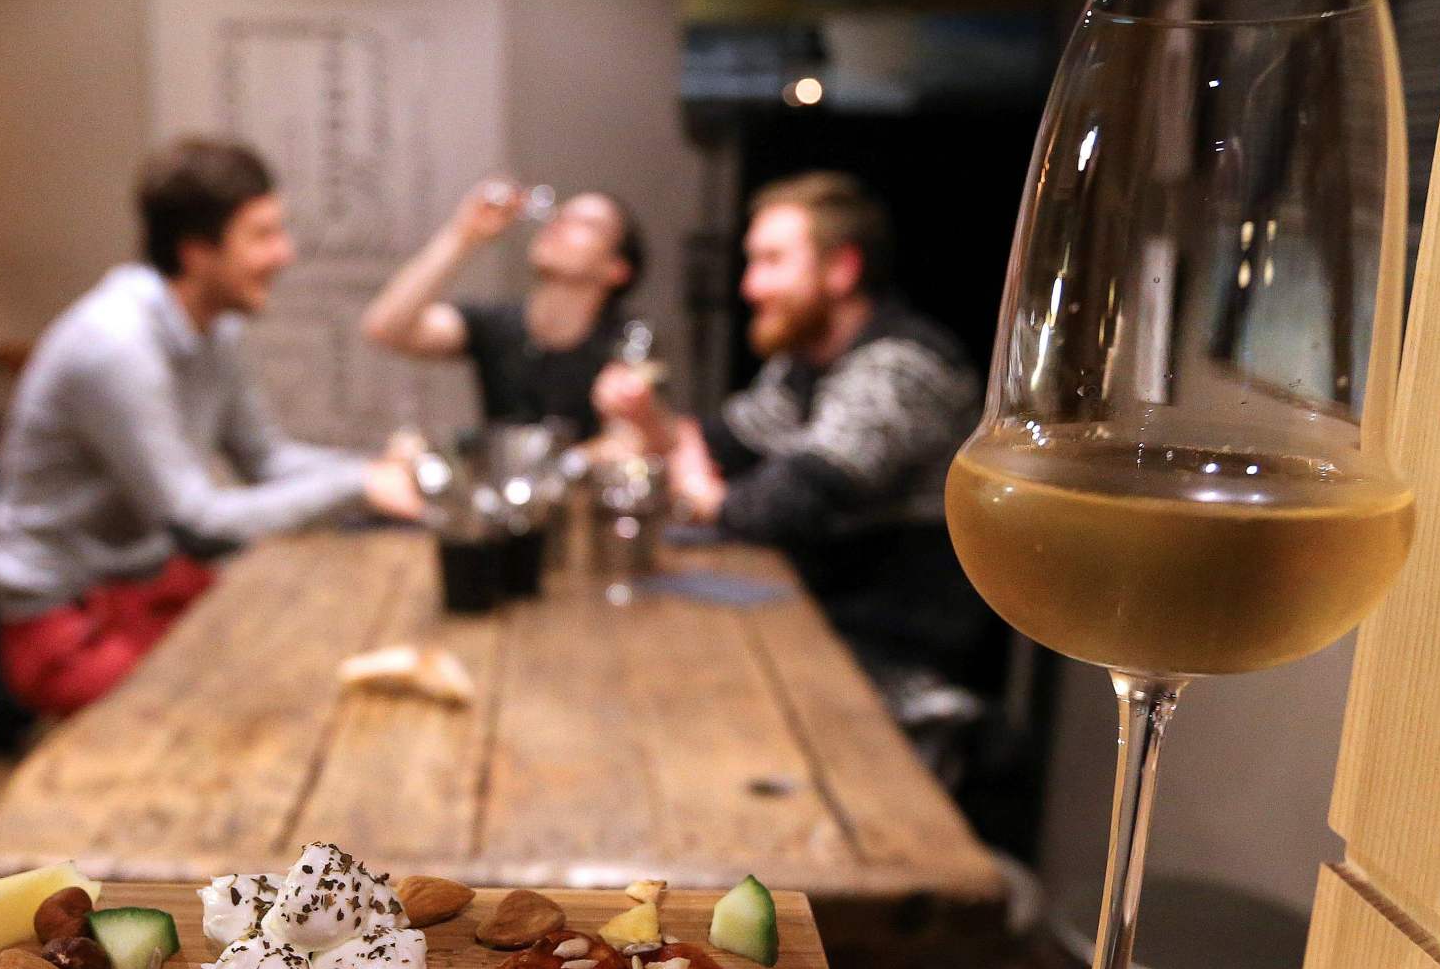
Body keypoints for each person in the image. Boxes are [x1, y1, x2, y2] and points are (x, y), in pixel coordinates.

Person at [0, 137, 421, 715]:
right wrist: (358, 486)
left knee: (315, 666)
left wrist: (376, 469)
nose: (285, 253)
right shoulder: (116, 348)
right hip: (66, 619)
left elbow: (266, 460)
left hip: (145, 584)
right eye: (262, 236)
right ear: (195, 253)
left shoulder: (215, 327)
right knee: (248, 715)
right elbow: (197, 522)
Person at [592, 171, 993, 692]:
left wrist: (704, 492)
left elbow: (780, 506)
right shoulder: (805, 364)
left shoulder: (900, 366)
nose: (749, 287)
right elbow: (722, 445)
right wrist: (648, 417)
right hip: (817, 623)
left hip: (893, 663)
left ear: (842, 269)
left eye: (771, 261)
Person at [360, 180, 646, 439]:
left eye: (587, 224)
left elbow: (632, 443)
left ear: (617, 269)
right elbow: (386, 328)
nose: (560, 224)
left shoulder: (627, 343)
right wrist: (464, 234)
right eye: (562, 215)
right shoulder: (498, 325)